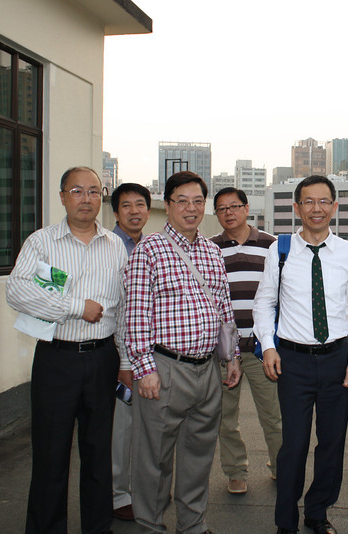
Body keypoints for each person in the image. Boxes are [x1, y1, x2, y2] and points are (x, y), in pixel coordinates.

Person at [6, 166, 127, 534]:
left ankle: (98, 526)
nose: (85, 199)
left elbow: (124, 308)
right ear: (62, 197)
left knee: (98, 454)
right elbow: (17, 291)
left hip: (103, 358)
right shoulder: (42, 242)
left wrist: (124, 360)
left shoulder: (115, 246)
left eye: (93, 191)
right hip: (56, 360)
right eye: (77, 191)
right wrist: (76, 307)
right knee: (50, 454)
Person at [124, 171, 241, 534]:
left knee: (199, 455)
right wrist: (144, 369)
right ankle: (150, 524)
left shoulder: (211, 251)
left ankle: (192, 524)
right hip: (165, 368)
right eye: (182, 201)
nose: (191, 209)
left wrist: (231, 356)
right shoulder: (149, 250)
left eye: (198, 201)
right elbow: (136, 314)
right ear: (168, 204)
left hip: (207, 369)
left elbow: (223, 308)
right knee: (154, 458)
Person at [254, 175, 348, 534]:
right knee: (294, 445)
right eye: (308, 201)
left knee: (332, 443)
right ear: (297, 207)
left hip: (337, 359)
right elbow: (264, 303)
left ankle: (318, 512)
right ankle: (285, 520)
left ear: (334, 207)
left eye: (323, 201)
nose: (316, 209)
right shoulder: (281, 250)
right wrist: (268, 347)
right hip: (293, 361)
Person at [211, 187, 282, 494]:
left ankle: (280, 466)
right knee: (225, 418)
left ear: (247, 208)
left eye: (234, 206)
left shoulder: (271, 245)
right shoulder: (209, 248)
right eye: (222, 208)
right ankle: (235, 471)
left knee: (274, 416)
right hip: (223, 350)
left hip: (261, 348)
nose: (229, 213)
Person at [109, 182, 151, 521]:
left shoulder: (151, 247)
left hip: (148, 352)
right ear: (115, 212)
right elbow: (121, 310)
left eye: (140, 204)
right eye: (127, 205)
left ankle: (143, 489)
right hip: (116, 351)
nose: (134, 211)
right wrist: (124, 359)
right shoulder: (108, 247)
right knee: (120, 428)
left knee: (147, 427)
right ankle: (118, 494)